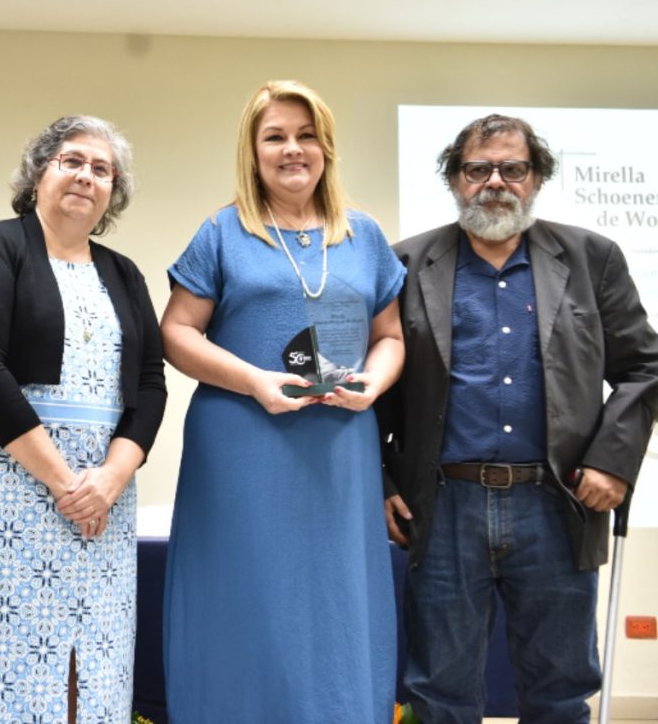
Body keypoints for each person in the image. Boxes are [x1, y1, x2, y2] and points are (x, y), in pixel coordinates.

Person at [379, 114, 658, 723]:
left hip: (557, 503)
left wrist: (613, 461)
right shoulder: (403, 264)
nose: (495, 182)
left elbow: (645, 367)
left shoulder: (592, 259)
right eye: (478, 170)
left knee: (559, 688)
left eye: (512, 169)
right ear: (455, 180)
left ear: (536, 179)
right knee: (438, 690)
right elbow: (375, 386)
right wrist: (384, 485)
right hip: (443, 505)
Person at [161, 80, 406, 723]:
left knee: (338, 600)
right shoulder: (222, 232)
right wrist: (254, 381)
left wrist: (373, 385)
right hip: (241, 444)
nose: (292, 149)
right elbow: (176, 333)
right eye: (275, 136)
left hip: (341, 445)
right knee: (243, 597)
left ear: (326, 147)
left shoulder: (366, 237)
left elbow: (390, 338)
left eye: (305, 135)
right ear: (254, 149)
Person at [0, 115, 166, 723]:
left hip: (97, 509)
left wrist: (108, 480)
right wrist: (64, 482)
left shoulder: (124, 274)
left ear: (114, 194)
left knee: (89, 676)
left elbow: (150, 384)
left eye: (101, 169)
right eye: (71, 161)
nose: (86, 176)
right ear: (37, 176)